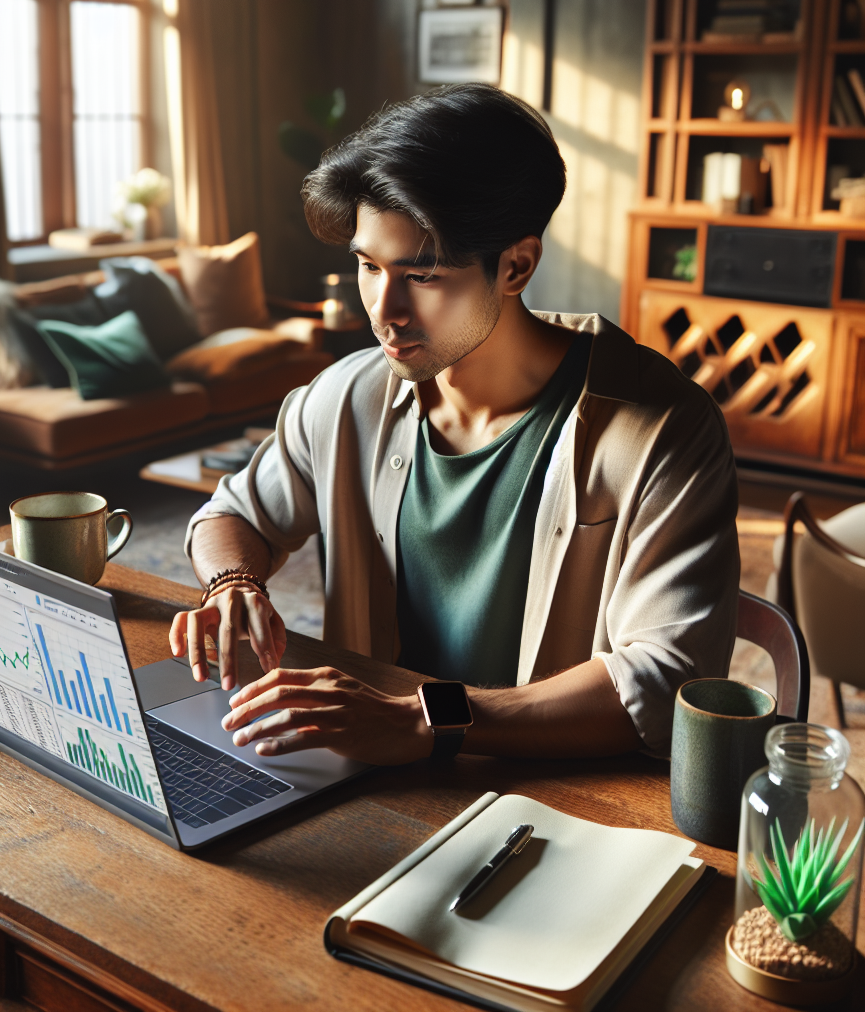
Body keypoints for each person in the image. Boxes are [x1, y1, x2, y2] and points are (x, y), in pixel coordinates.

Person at [170, 83, 739, 766]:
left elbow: (666, 679)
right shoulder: (346, 394)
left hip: (555, 797)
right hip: (370, 777)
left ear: (516, 265)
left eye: (425, 274)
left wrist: (419, 721)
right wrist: (233, 584)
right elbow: (232, 516)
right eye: (368, 266)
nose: (386, 309)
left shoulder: (663, 429)